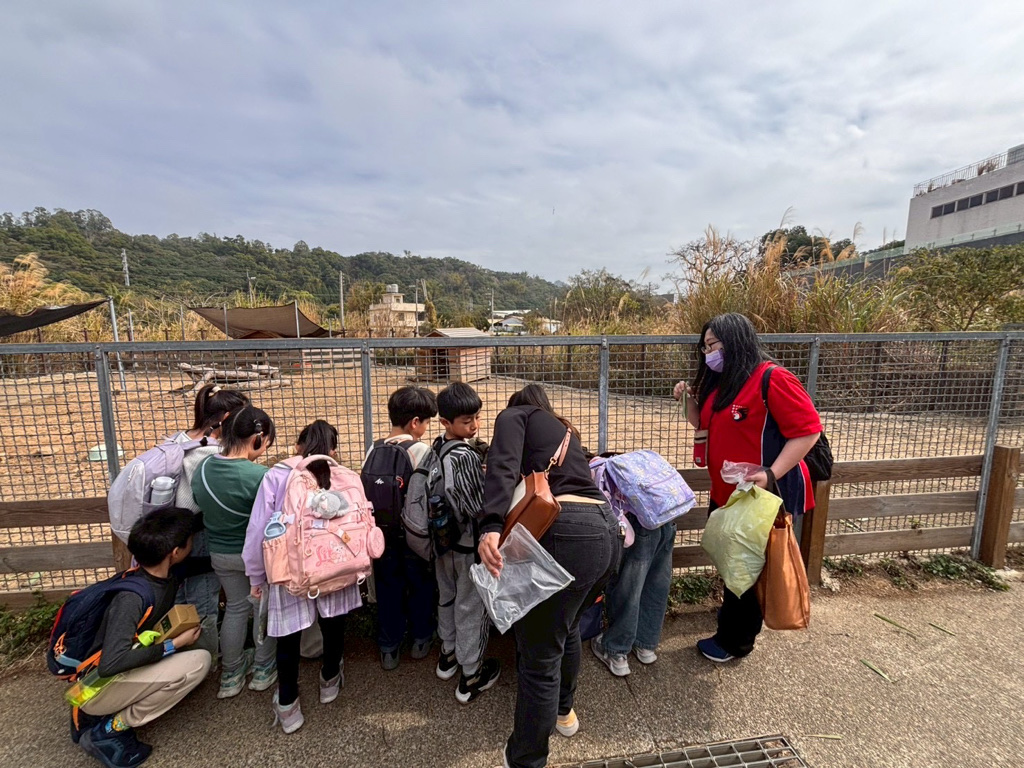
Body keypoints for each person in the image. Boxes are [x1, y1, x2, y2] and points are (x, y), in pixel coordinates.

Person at [479, 384, 621, 768]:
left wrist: (490, 525)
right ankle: (564, 713)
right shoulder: (565, 429)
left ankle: (526, 759)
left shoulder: (515, 415)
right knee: (567, 626)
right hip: (606, 531)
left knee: (539, 658)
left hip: (567, 531)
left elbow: (502, 465)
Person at [673, 312, 821, 663]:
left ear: (735, 341)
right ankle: (734, 622)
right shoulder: (723, 383)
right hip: (728, 495)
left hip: (759, 498)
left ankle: (735, 642)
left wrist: (771, 473)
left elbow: (808, 431)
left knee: (748, 569)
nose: (708, 353)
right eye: (705, 347)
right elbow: (702, 422)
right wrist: (687, 400)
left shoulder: (772, 378)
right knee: (734, 563)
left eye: (713, 345)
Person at [243, 420, 359, 733]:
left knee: (288, 636)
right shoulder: (341, 474)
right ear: (333, 449)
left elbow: (259, 530)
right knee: (334, 625)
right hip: (334, 563)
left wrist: (256, 575)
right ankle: (329, 681)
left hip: (290, 569)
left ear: (298, 446)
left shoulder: (277, 475)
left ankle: (288, 706)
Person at [74, 507, 210, 768]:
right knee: (198, 662)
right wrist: (174, 644)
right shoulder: (131, 598)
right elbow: (111, 663)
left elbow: (198, 564)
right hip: (94, 688)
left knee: (185, 656)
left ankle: (107, 713)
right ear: (175, 552)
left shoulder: (161, 574)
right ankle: (109, 730)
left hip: (110, 675)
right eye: (190, 539)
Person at [191, 405, 277, 698]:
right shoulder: (261, 476)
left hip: (220, 553)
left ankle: (231, 674)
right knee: (262, 608)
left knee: (235, 608)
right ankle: (264, 669)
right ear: (257, 439)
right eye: (266, 443)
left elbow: (198, 501)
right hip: (255, 558)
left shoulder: (203, 468)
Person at [168, 384, 250, 659]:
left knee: (180, 598)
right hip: (198, 533)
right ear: (227, 419)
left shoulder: (179, 440)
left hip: (172, 534)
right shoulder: (210, 453)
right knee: (203, 600)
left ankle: (178, 656)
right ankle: (205, 659)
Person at [361, 386, 438, 670]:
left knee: (387, 588)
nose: (426, 428)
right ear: (415, 422)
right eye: (426, 422)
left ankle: (389, 647)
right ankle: (420, 639)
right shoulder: (421, 451)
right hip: (412, 536)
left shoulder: (373, 448)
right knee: (420, 585)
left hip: (380, 537)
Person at [431, 382, 500, 703]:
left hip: (442, 543)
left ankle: (448, 656)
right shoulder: (463, 456)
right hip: (468, 547)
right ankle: (471, 675)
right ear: (446, 422)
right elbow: (477, 506)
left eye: (477, 417)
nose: (475, 425)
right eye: (466, 421)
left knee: (446, 598)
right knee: (471, 607)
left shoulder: (437, 448)